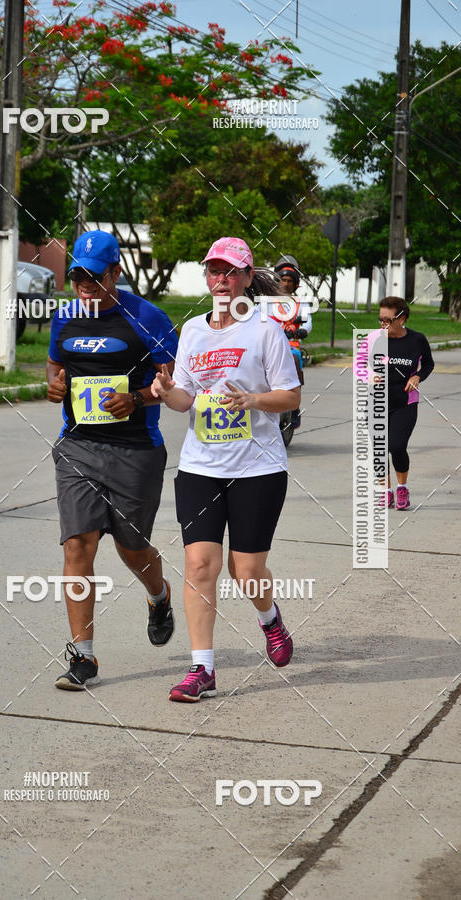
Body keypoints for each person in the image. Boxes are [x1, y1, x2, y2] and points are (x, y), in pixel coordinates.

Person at [151, 237, 301, 702]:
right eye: (214, 271)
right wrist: (165, 390)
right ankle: (203, 669)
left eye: (230, 272)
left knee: (246, 569)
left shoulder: (264, 331)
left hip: (258, 467)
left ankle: (269, 618)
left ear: (246, 278)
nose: (221, 279)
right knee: (199, 565)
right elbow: (187, 400)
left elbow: (290, 396)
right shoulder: (193, 330)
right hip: (201, 465)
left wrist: (253, 400)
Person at [47, 230, 178, 690]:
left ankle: (158, 597)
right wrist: (56, 385)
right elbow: (55, 365)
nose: (83, 284)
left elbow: (172, 383)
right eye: (76, 276)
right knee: (77, 546)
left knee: (132, 548)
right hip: (78, 447)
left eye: (92, 276)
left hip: (135, 450)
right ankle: (82, 656)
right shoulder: (64, 317)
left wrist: (138, 398)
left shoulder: (148, 317)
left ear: (114, 273)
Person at [378, 296, 434, 510]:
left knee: (397, 446)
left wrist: (418, 376)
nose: (383, 324)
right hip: (377, 402)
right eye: (380, 319)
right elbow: (361, 365)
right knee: (379, 450)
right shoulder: (374, 339)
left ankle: (402, 488)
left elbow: (428, 364)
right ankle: (386, 492)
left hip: (405, 403)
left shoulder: (417, 340)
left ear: (402, 319)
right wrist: (368, 375)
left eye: (387, 320)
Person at [272, 256, 314, 429]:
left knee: (295, 359)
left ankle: (294, 407)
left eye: (290, 281)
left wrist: (302, 330)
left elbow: (308, 322)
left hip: (291, 346)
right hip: (270, 345)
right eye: (283, 280)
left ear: (295, 284)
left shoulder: (300, 304)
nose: (286, 283)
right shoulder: (266, 302)